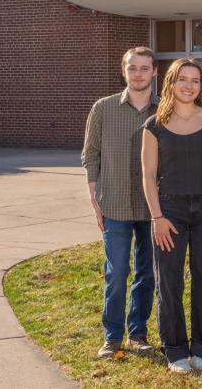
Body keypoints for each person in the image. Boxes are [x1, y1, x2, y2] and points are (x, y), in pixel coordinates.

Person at [141, 59, 202, 374]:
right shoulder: (154, 125)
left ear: (201, 85)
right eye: (183, 79)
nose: (189, 85)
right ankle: (176, 349)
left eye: (195, 80)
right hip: (169, 212)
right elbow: (148, 176)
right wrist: (157, 217)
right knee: (169, 281)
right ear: (171, 83)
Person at [82, 47, 158, 358]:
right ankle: (112, 336)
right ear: (123, 71)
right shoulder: (104, 107)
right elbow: (91, 155)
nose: (138, 74)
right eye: (132, 68)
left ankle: (138, 332)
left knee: (147, 272)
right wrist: (93, 197)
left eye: (144, 68)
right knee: (116, 273)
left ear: (154, 72)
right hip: (113, 204)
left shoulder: (165, 109)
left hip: (154, 207)